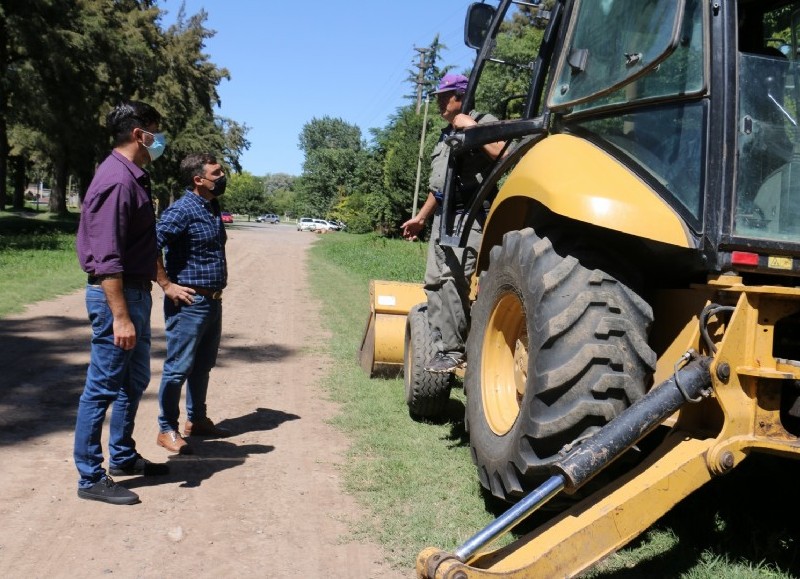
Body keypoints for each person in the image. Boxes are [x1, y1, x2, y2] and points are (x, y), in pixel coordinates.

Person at [74, 101, 169, 505]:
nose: (159, 141)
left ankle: (124, 456)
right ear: (138, 134)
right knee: (101, 387)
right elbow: (107, 255)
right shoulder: (116, 180)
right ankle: (89, 476)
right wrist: (120, 317)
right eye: (155, 132)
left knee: (132, 382)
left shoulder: (133, 177)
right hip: (117, 294)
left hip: (135, 291)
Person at [401, 73, 505, 374]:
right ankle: (440, 345)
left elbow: (502, 152)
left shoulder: (483, 120)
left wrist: (471, 128)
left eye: (444, 96)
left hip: (471, 214)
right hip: (443, 216)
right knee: (434, 282)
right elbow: (439, 187)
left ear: (461, 96)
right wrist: (421, 218)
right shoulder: (443, 134)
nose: (438, 101)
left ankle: (454, 350)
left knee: (453, 279)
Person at [154, 153, 231, 454]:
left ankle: (197, 421)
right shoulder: (182, 210)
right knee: (177, 369)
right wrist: (166, 284)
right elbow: (150, 243)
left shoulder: (211, 206)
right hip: (189, 303)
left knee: (202, 366)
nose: (222, 176)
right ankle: (166, 429)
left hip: (212, 301)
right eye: (217, 172)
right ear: (198, 179)